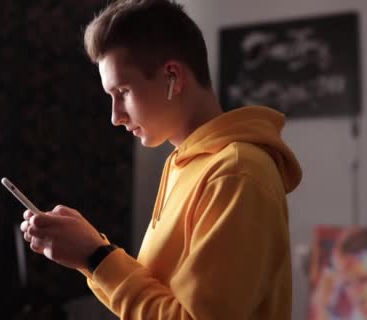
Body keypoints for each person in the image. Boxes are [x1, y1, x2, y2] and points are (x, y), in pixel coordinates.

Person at [19, 0, 302, 318]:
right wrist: (92, 254)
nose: (115, 117)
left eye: (123, 91)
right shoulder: (184, 162)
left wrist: (96, 257)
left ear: (173, 77)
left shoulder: (236, 172)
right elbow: (155, 301)